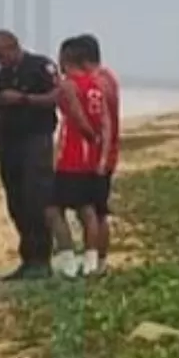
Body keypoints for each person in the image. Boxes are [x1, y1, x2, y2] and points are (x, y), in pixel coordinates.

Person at [0, 30, 61, 280]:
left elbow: (57, 97)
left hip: (36, 139)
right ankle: (28, 257)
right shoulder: (3, 75)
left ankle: (42, 258)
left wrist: (25, 99)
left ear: (13, 46)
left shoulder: (41, 66)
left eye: (1, 55)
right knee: (16, 202)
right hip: (10, 142)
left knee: (36, 198)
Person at [48, 38, 107, 278]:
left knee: (52, 208)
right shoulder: (95, 84)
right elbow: (102, 120)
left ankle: (68, 258)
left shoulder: (69, 85)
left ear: (66, 59)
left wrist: (88, 134)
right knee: (88, 210)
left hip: (72, 155)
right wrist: (98, 145)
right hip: (90, 156)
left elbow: (75, 114)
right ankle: (91, 260)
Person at [75, 33, 119, 275]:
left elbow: (103, 122)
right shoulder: (109, 78)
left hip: (97, 155)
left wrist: (100, 157)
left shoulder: (95, 83)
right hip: (108, 152)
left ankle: (96, 262)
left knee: (91, 210)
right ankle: (100, 261)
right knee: (99, 210)